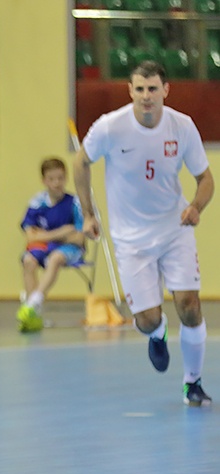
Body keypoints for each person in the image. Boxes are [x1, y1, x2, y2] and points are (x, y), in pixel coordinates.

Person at [74, 60, 214, 407]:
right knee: (147, 319)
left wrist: (196, 206)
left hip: (174, 230)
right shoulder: (111, 127)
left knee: (190, 306)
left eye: (153, 89)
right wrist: (89, 214)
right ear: (130, 91)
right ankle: (158, 333)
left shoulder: (182, 127)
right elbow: (80, 162)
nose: (146, 96)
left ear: (166, 90)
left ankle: (192, 382)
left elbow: (205, 179)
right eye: (139, 89)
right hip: (131, 240)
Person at [16, 157, 86, 333]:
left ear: (66, 178)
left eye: (60, 178)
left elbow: (79, 239)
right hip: (46, 246)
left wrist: (44, 236)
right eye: (51, 179)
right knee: (29, 260)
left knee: (55, 259)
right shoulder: (36, 203)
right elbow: (30, 238)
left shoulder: (74, 203)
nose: (56, 183)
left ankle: (33, 303)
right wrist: (62, 232)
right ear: (44, 180)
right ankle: (35, 317)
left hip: (70, 250)